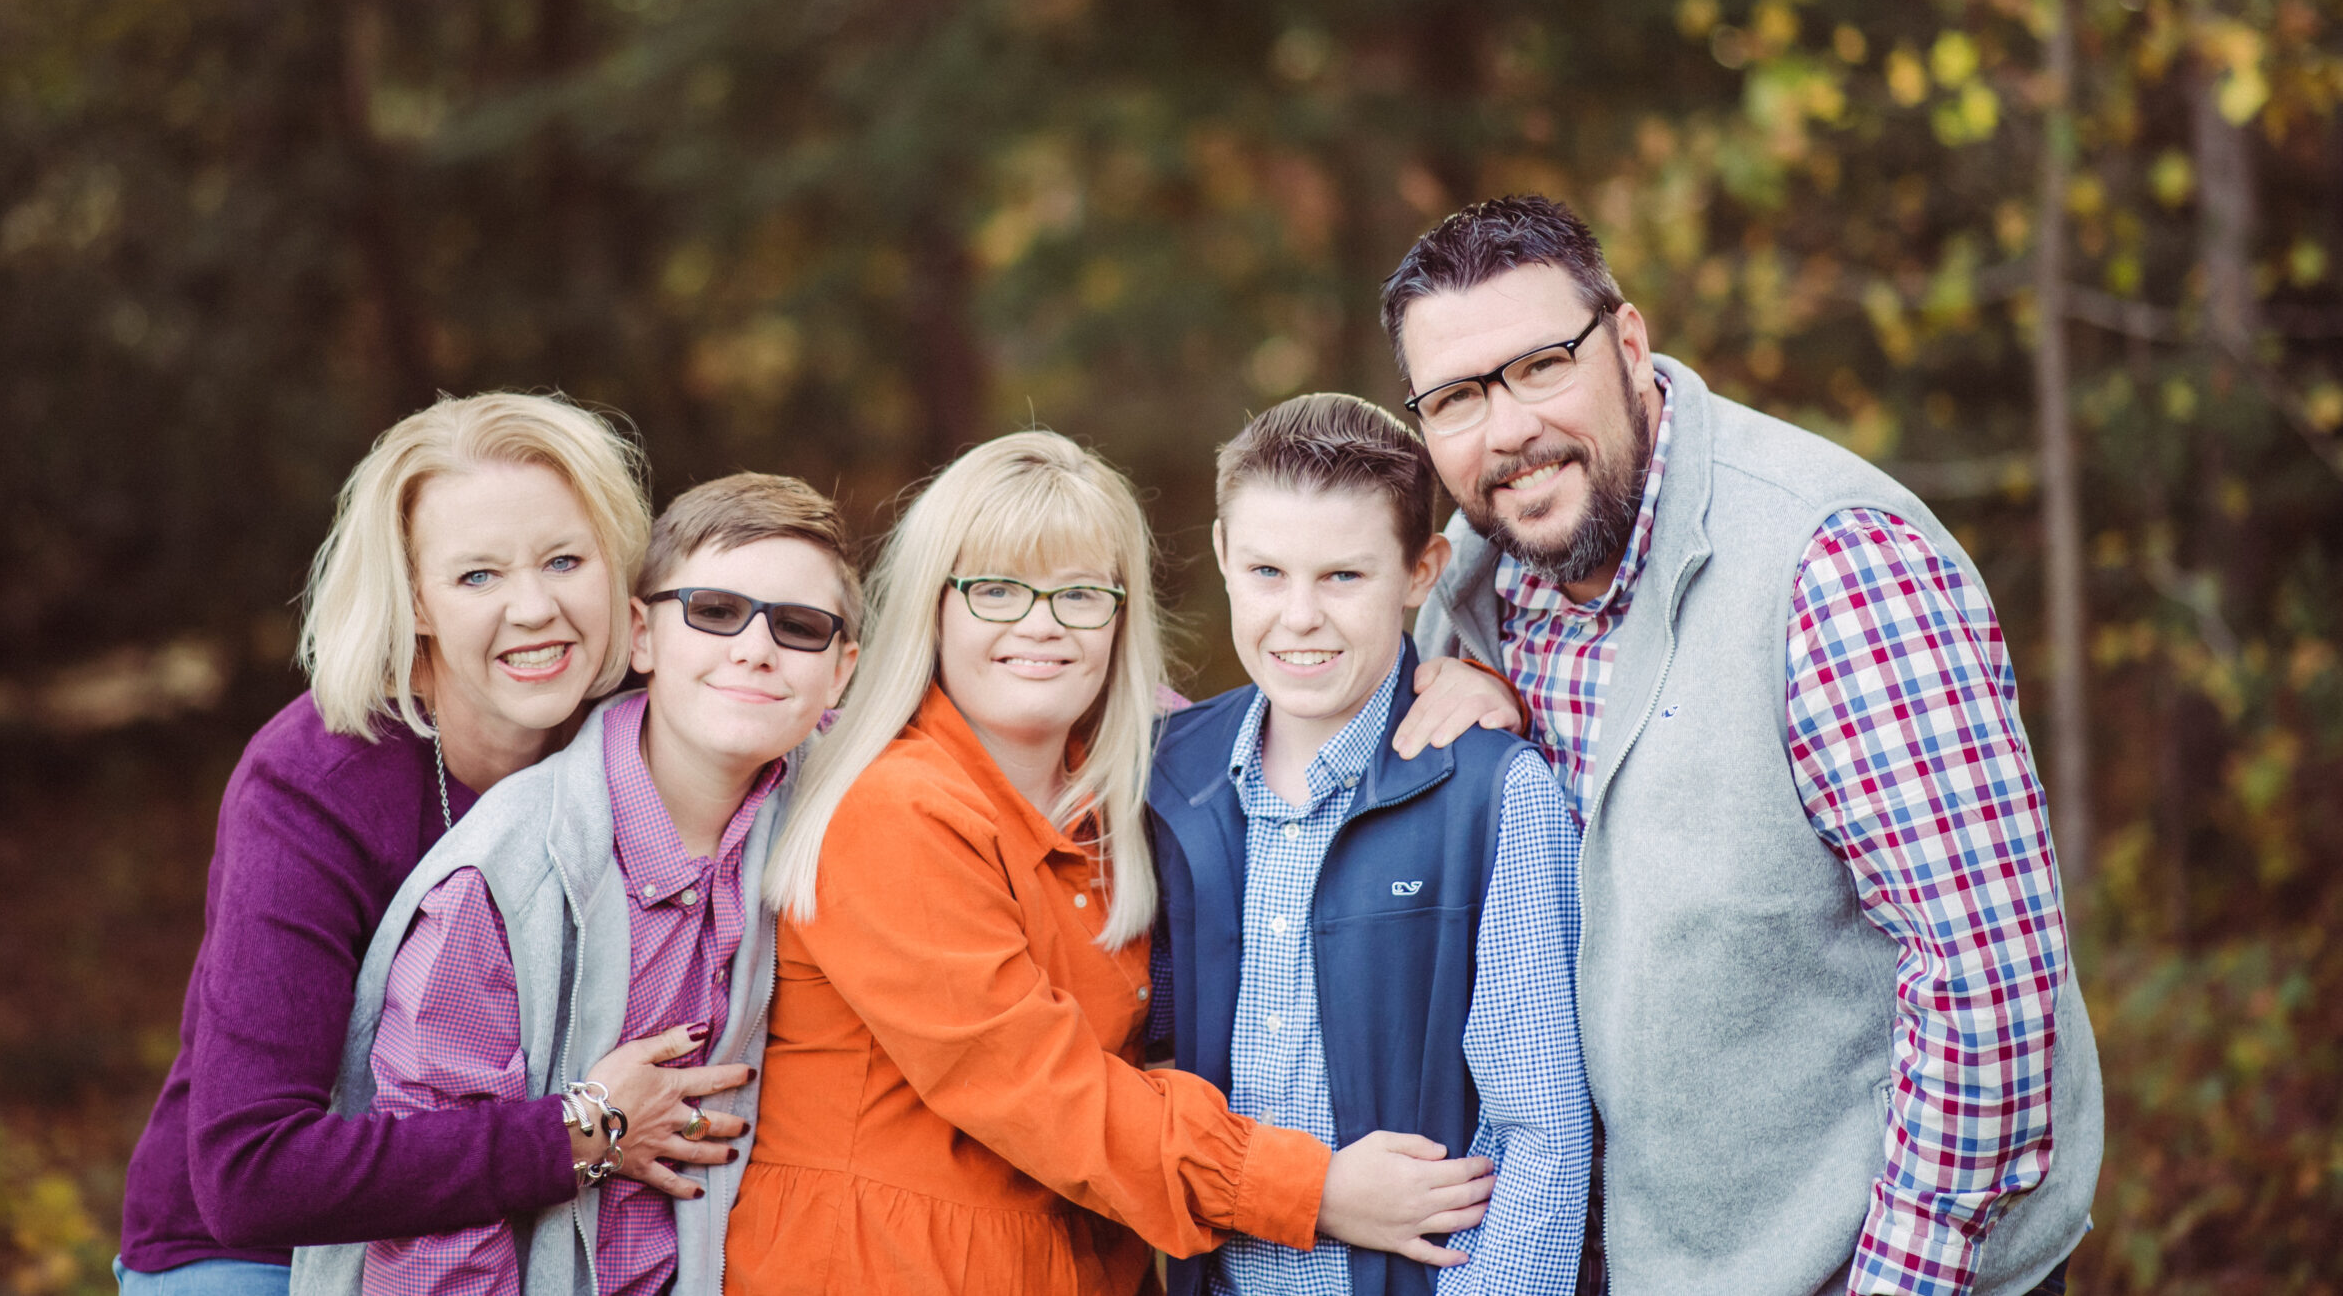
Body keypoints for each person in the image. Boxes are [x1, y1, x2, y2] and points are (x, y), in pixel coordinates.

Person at [1387, 197, 2102, 1296]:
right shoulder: (1464, 605)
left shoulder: (1832, 569)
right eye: (1456, 397)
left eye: (1538, 366)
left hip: (1889, 1266)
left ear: (1627, 344)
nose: (1506, 429)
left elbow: (1988, 980)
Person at [723, 432, 1510, 1296]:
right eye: (996, 589)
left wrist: (1455, 684)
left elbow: (1287, 703)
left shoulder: (1143, 783)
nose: (1040, 625)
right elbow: (1040, 1087)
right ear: (933, 606)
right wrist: (1312, 1188)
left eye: (1080, 595)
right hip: (886, 1264)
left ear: (1120, 614)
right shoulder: (895, 809)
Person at [118, 393, 745, 1294]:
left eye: (565, 560)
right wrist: (581, 1133)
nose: (534, 608)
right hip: (257, 1256)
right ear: (415, 600)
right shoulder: (315, 782)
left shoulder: (640, 744)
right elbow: (251, 1169)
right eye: (477, 576)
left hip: (537, 1238)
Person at [290, 474, 862, 1296]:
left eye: (799, 626)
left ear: (841, 671)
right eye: (714, 611)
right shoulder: (500, 882)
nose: (755, 648)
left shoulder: (823, 812)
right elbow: (433, 1241)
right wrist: (589, 1124)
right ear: (642, 633)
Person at [1150, 392, 1591, 1296]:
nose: (1299, 616)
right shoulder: (1165, 774)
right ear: (1224, 555)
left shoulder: (1494, 794)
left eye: (1344, 577)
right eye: (1268, 570)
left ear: (1421, 570)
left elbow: (1539, 1131)